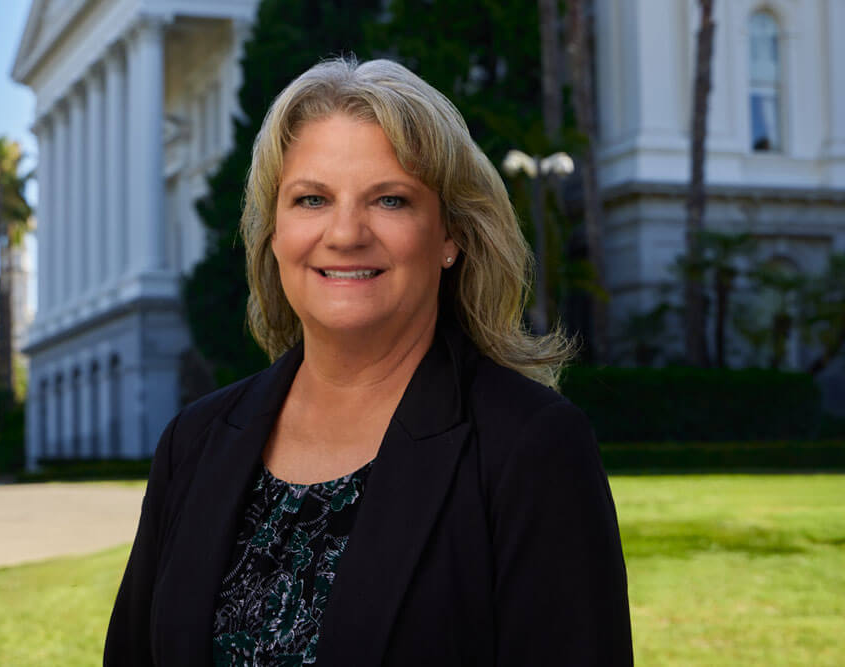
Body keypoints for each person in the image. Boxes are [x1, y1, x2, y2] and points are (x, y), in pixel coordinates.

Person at [104, 57, 632, 666]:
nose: (346, 233)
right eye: (311, 199)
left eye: (389, 199)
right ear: (273, 233)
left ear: (449, 235)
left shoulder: (531, 446)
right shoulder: (193, 443)